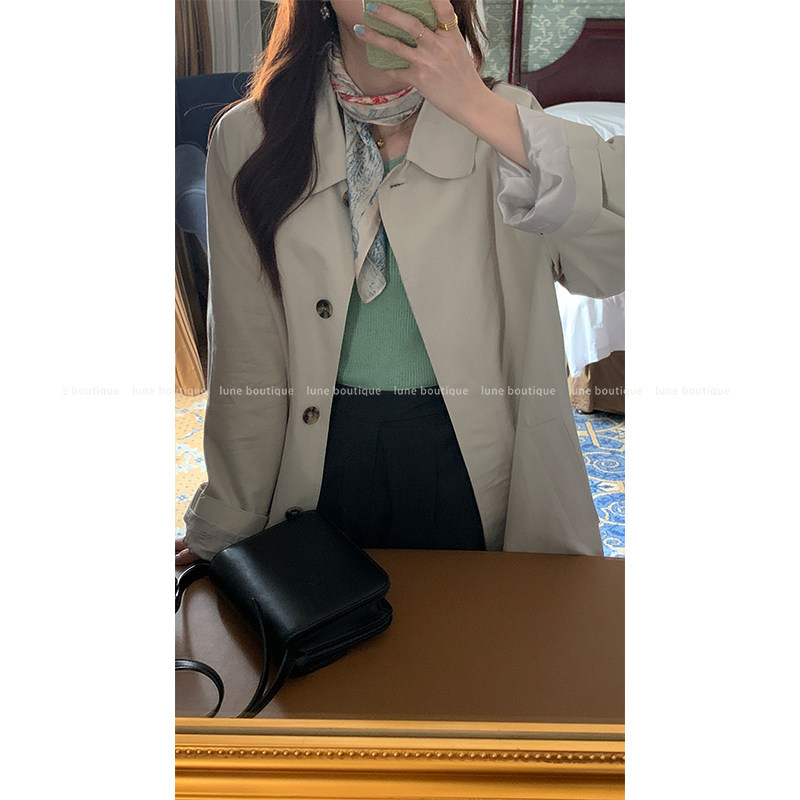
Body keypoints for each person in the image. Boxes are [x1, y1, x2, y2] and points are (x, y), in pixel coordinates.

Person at [175, 0, 624, 565]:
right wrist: (226, 521)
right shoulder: (250, 136)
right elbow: (246, 349)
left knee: (473, 621)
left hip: (474, 457)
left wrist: (473, 104)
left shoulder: (508, 122)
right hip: (313, 457)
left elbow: (616, 258)